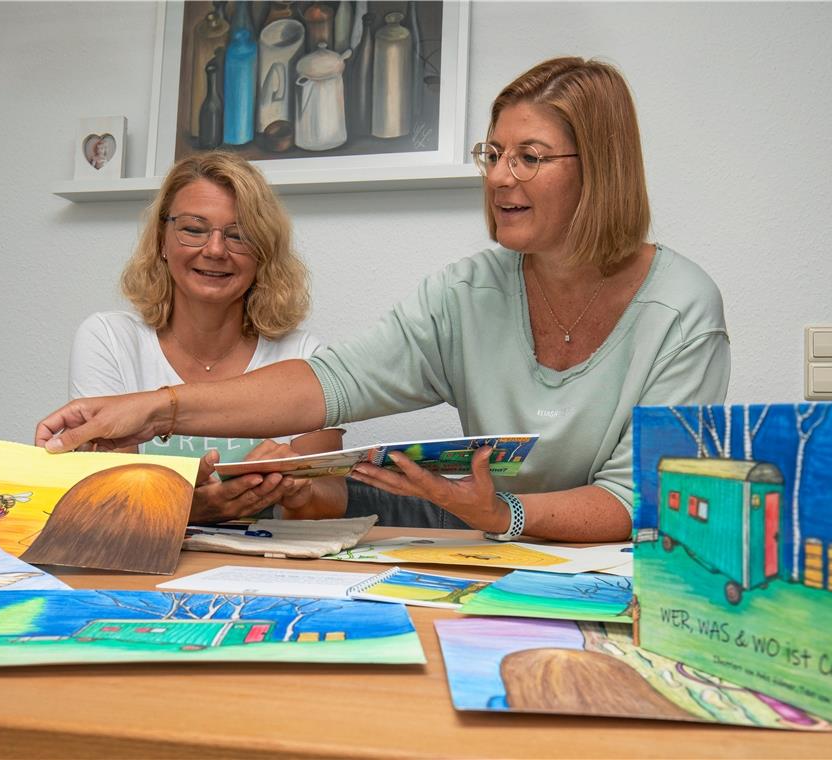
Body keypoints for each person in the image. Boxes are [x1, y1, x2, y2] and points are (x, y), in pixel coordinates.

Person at [38, 57, 730, 543]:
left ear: (601, 170)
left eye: (529, 156)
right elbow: (333, 384)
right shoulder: (465, 293)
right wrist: (161, 407)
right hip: (485, 549)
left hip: (603, 570)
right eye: (492, 154)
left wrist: (504, 515)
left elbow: (635, 497)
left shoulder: (682, 306)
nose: (499, 177)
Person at [66, 150, 347, 523]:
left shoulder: (303, 354)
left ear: (263, 252)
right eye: (194, 229)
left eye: (239, 235)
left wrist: (299, 489)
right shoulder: (109, 340)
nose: (215, 250)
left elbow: (331, 503)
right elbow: (110, 501)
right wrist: (190, 506)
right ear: (161, 241)